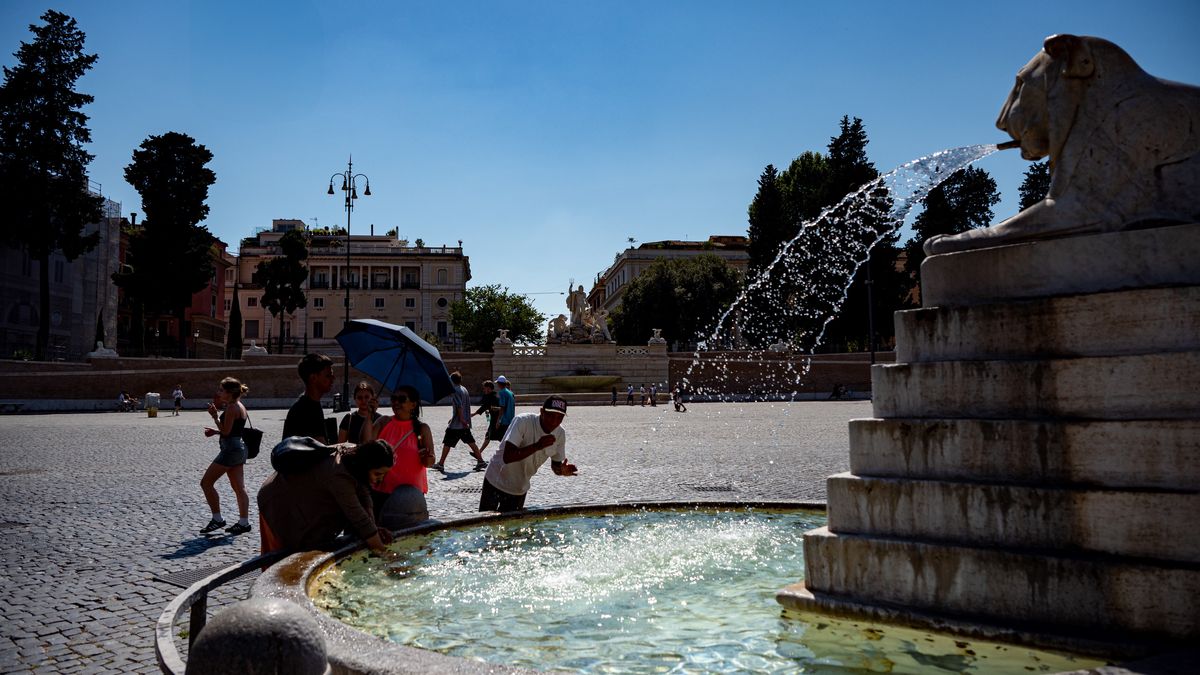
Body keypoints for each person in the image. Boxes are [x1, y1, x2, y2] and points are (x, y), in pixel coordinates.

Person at [257, 438, 395, 554]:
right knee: (278, 560)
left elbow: (364, 495)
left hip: (303, 503)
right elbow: (359, 519)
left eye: (384, 474)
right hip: (277, 503)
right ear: (366, 465)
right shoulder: (339, 475)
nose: (380, 479)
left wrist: (374, 527)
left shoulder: (354, 454)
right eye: (377, 474)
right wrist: (386, 555)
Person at [479, 395, 578, 512]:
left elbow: (555, 465)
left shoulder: (560, 433)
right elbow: (507, 456)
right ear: (541, 411)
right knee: (486, 526)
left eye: (559, 418)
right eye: (551, 415)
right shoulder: (523, 421)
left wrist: (561, 471)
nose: (554, 421)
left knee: (512, 528)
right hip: (495, 481)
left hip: (519, 489)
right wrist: (537, 446)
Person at [370, 385, 436, 515]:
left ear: (413, 404)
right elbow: (366, 444)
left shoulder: (422, 429)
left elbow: (430, 462)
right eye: (393, 398)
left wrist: (426, 457)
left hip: (412, 495)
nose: (396, 402)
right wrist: (369, 415)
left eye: (401, 399)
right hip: (383, 492)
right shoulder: (383, 422)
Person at [199, 377, 252, 535]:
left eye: (221, 390)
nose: (218, 392)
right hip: (239, 448)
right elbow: (233, 431)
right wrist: (216, 432)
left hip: (230, 451)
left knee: (206, 483)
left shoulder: (231, 408)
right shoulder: (240, 406)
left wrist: (215, 417)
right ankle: (244, 523)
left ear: (229, 393)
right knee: (239, 488)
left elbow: (227, 432)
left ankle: (217, 519)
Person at [433, 372, 487, 472]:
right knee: (471, 442)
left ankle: (441, 464)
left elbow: (459, 406)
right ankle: (481, 461)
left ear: (452, 381)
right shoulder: (464, 389)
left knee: (447, 443)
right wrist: (455, 418)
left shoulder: (456, 391)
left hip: (457, 425)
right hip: (462, 423)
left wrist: (461, 419)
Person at [283, 353, 334, 443]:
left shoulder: (310, 404)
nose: (333, 378)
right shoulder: (306, 409)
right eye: (328, 375)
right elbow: (321, 449)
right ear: (313, 378)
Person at [473, 380, 501, 454]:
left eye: (485, 388)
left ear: (489, 388)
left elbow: (485, 407)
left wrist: (474, 414)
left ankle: (479, 453)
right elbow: (485, 407)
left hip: (497, 421)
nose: (484, 390)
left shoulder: (494, 397)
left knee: (500, 437)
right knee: (489, 436)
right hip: (494, 420)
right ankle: (479, 453)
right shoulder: (490, 396)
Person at [494, 375, 516, 441]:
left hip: (505, 420)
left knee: (502, 439)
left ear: (499, 384)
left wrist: (498, 421)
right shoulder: (510, 392)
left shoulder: (502, 393)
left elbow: (503, 407)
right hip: (510, 418)